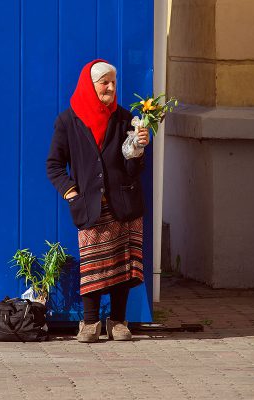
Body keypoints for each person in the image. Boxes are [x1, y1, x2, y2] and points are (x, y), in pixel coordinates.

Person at [46, 59, 149, 343]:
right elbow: (54, 165)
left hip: (124, 203)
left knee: (122, 263)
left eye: (114, 82)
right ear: (90, 86)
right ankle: (90, 322)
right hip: (91, 204)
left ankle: (117, 321)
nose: (111, 88)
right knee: (92, 263)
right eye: (105, 82)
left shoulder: (126, 119)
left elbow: (133, 169)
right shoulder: (68, 121)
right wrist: (71, 192)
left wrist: (138, 150)